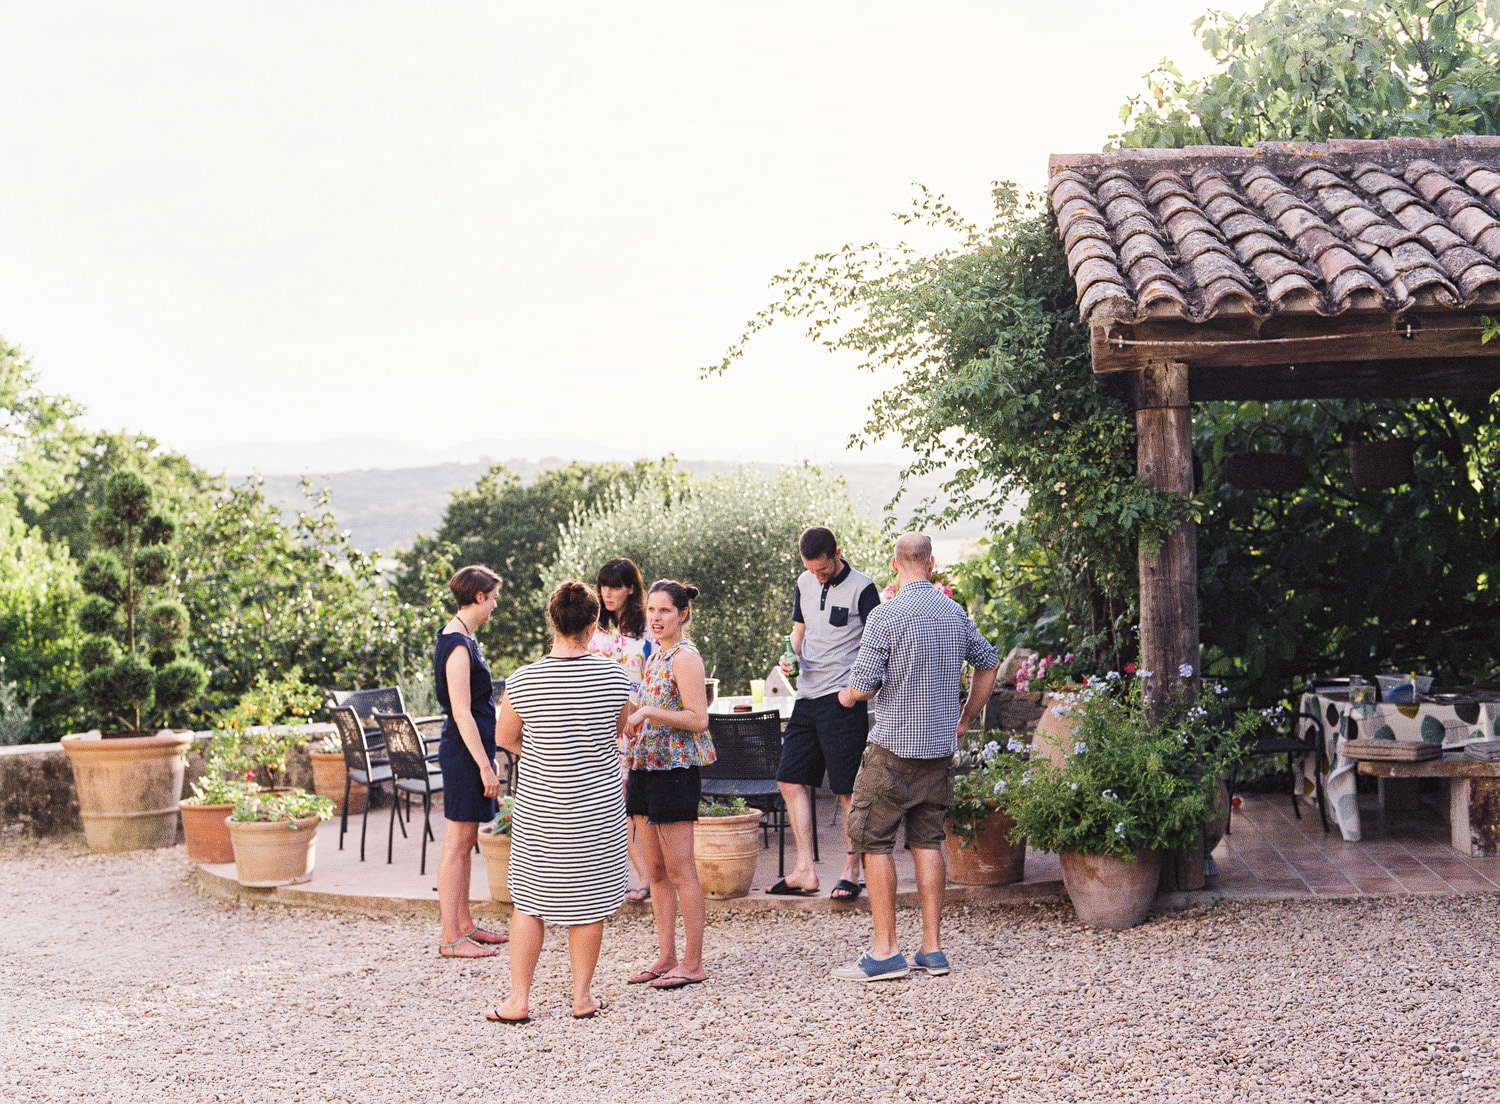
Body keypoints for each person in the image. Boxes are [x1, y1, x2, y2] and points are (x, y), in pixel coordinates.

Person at [834, 533, 999, 982]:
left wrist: (847, 696)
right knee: (928, 842)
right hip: (939, 753)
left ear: (894, 564)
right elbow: (989, 663)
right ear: (932, 563)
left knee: (872, 841)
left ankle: (885, 952)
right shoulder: (954, 613)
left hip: (891, 753)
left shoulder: (886, 616)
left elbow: (864, 685)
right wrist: (964, 718)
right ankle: (932, 949)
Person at [487, 581, 634, 1023]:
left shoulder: (523, 679)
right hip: (597, 807)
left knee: (529, 901)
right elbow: (621, 728)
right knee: (588, 903)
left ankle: (518, 1001)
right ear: (592, 627)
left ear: (553, 622)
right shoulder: (613, 676)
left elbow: (505, 737)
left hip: (541, 808)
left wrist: (545, 749)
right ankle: (582, 997)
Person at [770, 526, 880, 900]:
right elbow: (799, 630)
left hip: (842, 699)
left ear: (837, 552)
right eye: (811, 569)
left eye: (822, 568)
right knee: (789, 778)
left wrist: (854, 694)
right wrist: (790, 654)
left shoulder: (864, 588)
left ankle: (851, 871)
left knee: (846, 788)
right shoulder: (803, 581)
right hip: (807, 696)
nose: (817, 575)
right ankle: (805, 870)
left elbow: (877, 644)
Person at [622, 579, 713, 990]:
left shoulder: (685, 657)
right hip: (644, 768)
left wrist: (651, 712)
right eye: (651, 610)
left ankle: (693, 963)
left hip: (674, 772)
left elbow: (698, 719)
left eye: (664, 611)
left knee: (680, 871)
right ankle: (666, 956)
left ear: (683, 614)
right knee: (655, 871)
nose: (655, 618)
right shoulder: (653, 655)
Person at [434, 564, 508, 959]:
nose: (495, 604)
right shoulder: (458, 645)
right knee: (457, 844)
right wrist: (484, 763)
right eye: (493, 597)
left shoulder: (463, 637)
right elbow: (461, 711)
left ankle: (464, 926)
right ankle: (451, 938)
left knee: (463, 844)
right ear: (479, 596)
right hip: (465, 753)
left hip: (469, 749)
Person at [587, 557, 655, 902]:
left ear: (630, 587)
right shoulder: (594, 628)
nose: (608, 592)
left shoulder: (647, 629)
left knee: (632, 802)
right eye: (603, 586)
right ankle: (632, 874)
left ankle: (648, 876)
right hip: (602, 725)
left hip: (639, 726)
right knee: (612, 802)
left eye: (615, 585)